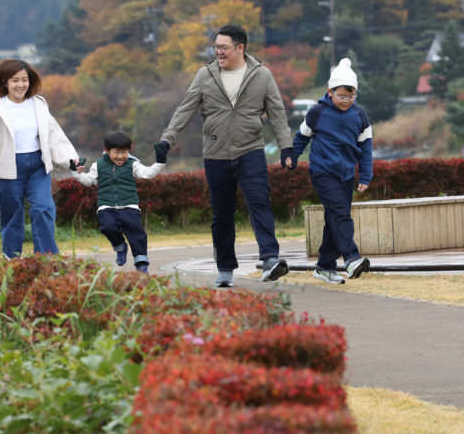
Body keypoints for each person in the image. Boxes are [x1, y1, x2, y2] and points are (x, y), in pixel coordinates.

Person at [155, 23, 293, 288]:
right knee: (222, 213)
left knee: (259, 202)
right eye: (216, 47)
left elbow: (277, 113)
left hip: (251, 149)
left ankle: (270, 259)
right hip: (216, 153)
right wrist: (167, 140)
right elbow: (185, 110)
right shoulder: (204, 75)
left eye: (223, 47)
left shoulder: (262, 75)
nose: (218, 52)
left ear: (240, 48)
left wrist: (286, 147)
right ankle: (225, 268)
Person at [0, 59, 81, 258]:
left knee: (43, 208)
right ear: (5, 81)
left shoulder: (39, 104)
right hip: (9, 168)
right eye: (15, 80)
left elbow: (54, 134)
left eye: (25, 80)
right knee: (12, 215)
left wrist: (72, 161)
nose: (21, 85)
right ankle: (12, 260)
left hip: (38, 166)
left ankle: (47, 258)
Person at [283, 57, 372, 283]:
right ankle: (352, 259)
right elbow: (302, 136)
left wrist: (366, 174)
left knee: (335, 217)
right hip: (323, 171)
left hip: (346, 174)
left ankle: (324, 266)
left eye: (351, 97)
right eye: (341, 96)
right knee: (341, 214)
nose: (345, 101)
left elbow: (366, 147)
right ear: (330, 91)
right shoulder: (317, 112)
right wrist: (292, 156)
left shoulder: (359, 115)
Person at [67, 130, 166, 273]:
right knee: (108, 227)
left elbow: (148, 173)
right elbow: (88, 181)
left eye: (125, 152)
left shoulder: (133, 164)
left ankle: (141, 263)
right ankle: (120, 247)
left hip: (129, 206)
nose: (121, 156)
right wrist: (74, 171)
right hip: (106, 207)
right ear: (107, 151)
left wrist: (160, 160)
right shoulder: (98, 165)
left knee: (136, 233)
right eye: (117, 152)